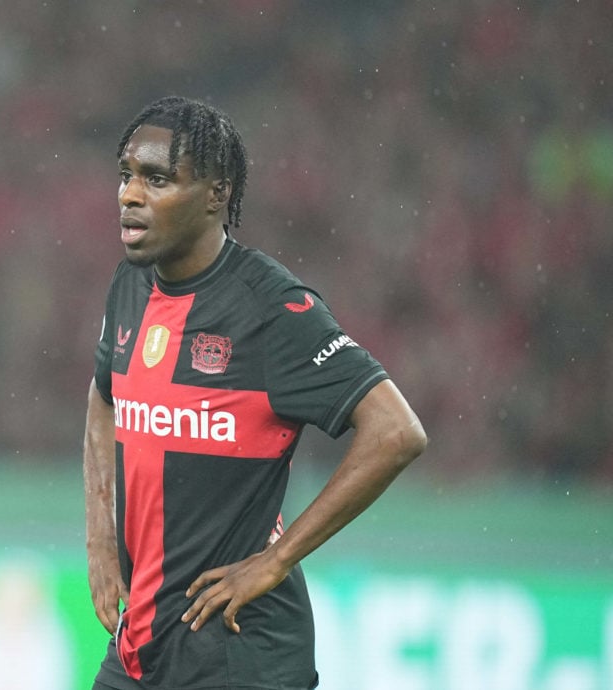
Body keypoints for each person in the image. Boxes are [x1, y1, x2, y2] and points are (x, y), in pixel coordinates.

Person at [83, 96, 428, 690]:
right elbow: (102, 397)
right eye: (126, 175)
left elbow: (396, 432)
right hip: (143, 641)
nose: (129, 194)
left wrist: (276, 560)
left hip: (239, 651)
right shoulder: (130, 285)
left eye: (157, 179)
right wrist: (100, 539)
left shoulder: (273, 310)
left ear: (217, 194)